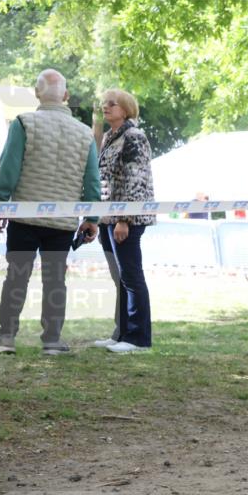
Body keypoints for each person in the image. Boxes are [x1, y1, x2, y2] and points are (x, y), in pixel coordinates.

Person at [0, 69, 100, 356]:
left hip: (25, 217)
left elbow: (9, 168)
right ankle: (52, 339)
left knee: (16, 277)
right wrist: (91, 219)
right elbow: (91, 181)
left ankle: (6, 338)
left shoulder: (24, 123)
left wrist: (1, 202)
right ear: (65, 96)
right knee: (55, 280)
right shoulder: (85, 133)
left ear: (37, 93)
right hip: (62, 222)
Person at [95, 89, 156, 353]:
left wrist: (124, 219)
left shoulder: (134, 136)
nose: (105, 107)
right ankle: (121, 333)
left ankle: (138, 339)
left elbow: (136, 180)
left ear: (126, 108)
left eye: (112, 103)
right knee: (120, 277)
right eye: (104, 103)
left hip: (125, 219)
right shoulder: (109, 136)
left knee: (131, 275)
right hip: (108, 217)